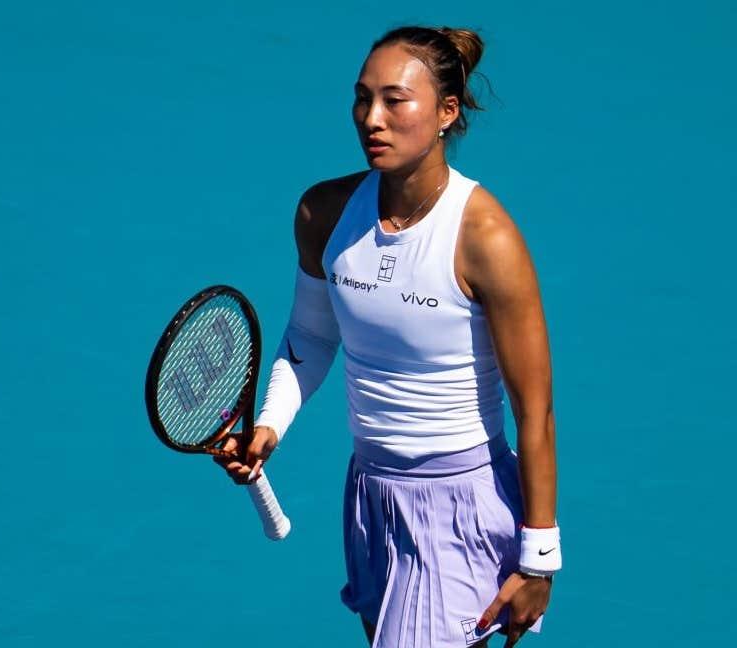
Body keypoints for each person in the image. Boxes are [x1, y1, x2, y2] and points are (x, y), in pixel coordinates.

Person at [214, 25, 560, 647]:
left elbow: (535, 411)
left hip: (461, 509)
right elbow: (312, 338)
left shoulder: (486, 238)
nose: (371, 118)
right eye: (362, 98)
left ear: (446, 113)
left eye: (395, 100)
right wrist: (269, 427)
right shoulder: (323, 213)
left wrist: (539, 560)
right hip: (370, 498)